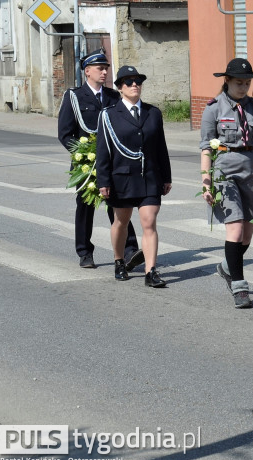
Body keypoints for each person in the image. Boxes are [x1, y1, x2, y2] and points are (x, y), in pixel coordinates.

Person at [57, 48, 141, 270]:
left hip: (114, 162)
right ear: (87, 71)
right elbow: (65, 134)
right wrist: (82, 156)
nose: (104, 72)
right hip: (86, 163)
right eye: (100, 68)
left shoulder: (114, 96)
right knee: (85, 207)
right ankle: (85, 252)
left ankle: (131, 249)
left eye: (106, 68)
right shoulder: (74, 97)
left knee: (118, 205)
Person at [200, 58, 253, 309]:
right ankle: (239, 286)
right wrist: (206, 183)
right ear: (227, 81)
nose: (244, 87)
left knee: (248, 232)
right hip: (224, 172)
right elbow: (207, 148)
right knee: (236, 229)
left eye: (247, 83)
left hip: (251, 170)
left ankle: (227, 267)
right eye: (239, 82)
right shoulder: (213, 108)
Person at [95, 65, 172, 288]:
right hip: (122, 178)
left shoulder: (153, 113)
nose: (134, 85)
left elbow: (161, 148)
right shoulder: (109, 115)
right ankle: (119, 261)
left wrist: (166, 177)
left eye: (138, 81)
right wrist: (104, 181)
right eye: (129, 82)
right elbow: (103, 150)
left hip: (149, 177)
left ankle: (151, 271)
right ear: (119, 88)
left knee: (149, 222)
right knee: (121, 221)